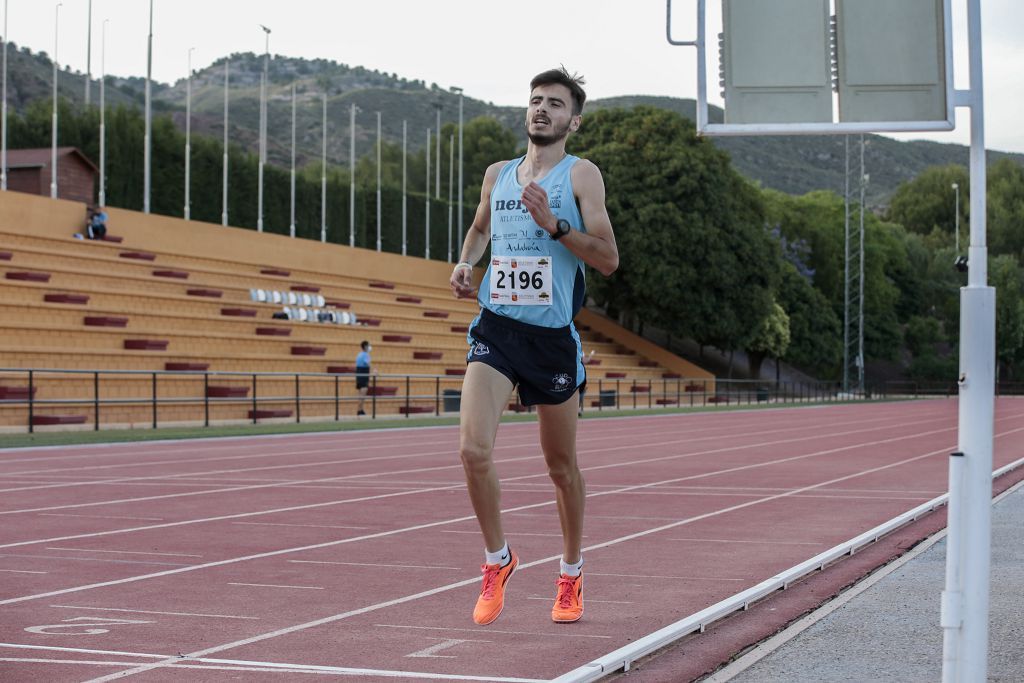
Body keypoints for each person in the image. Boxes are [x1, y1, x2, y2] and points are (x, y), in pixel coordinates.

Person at [449, 67, 618, 626]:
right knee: (473, 450)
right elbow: (479, 228)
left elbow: (608, 258)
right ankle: (498, 561)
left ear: (574, 119)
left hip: (551, 341)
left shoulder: (581, 176)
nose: (542, 109)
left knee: (561, 467)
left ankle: (571, 572)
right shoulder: (498, 174)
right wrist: (466, 263)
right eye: (535, 100)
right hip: (497, 328)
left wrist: (554, 227)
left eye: (555, 103)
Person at [355, 340, 373, 416]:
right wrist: (374, 371)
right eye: (369, 345)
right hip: (363, 374)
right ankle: (359, 410)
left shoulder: (359, 354)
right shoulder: (366, 355)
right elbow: (367, 363)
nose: (370, 347)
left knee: (360, 394)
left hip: (359, 374)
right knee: (363, 393)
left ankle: (361, 409)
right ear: (365, 347)